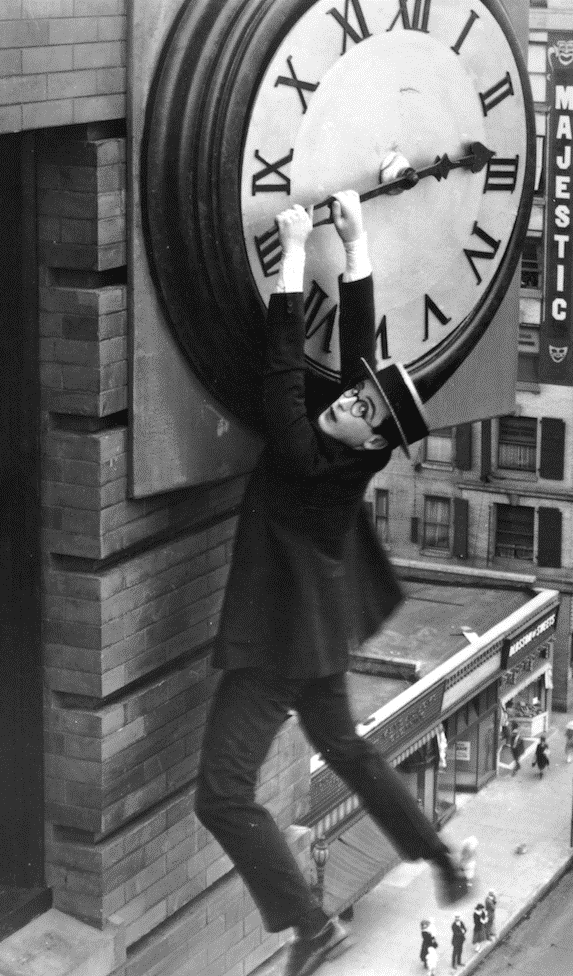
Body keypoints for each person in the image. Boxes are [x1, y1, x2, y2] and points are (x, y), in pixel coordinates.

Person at [194, 193, 475, 976]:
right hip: (314, 627)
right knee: (345, 747)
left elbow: (283, 374)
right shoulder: (353, 449)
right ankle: (439, 856)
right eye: (352, 398)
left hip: (280, 641)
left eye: (356, 409)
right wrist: (356, 249)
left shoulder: (307, 455)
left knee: (221, 794)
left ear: (371, 438)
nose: (344, 402)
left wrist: (290, 254)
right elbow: (362, 364)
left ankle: (312, 928)